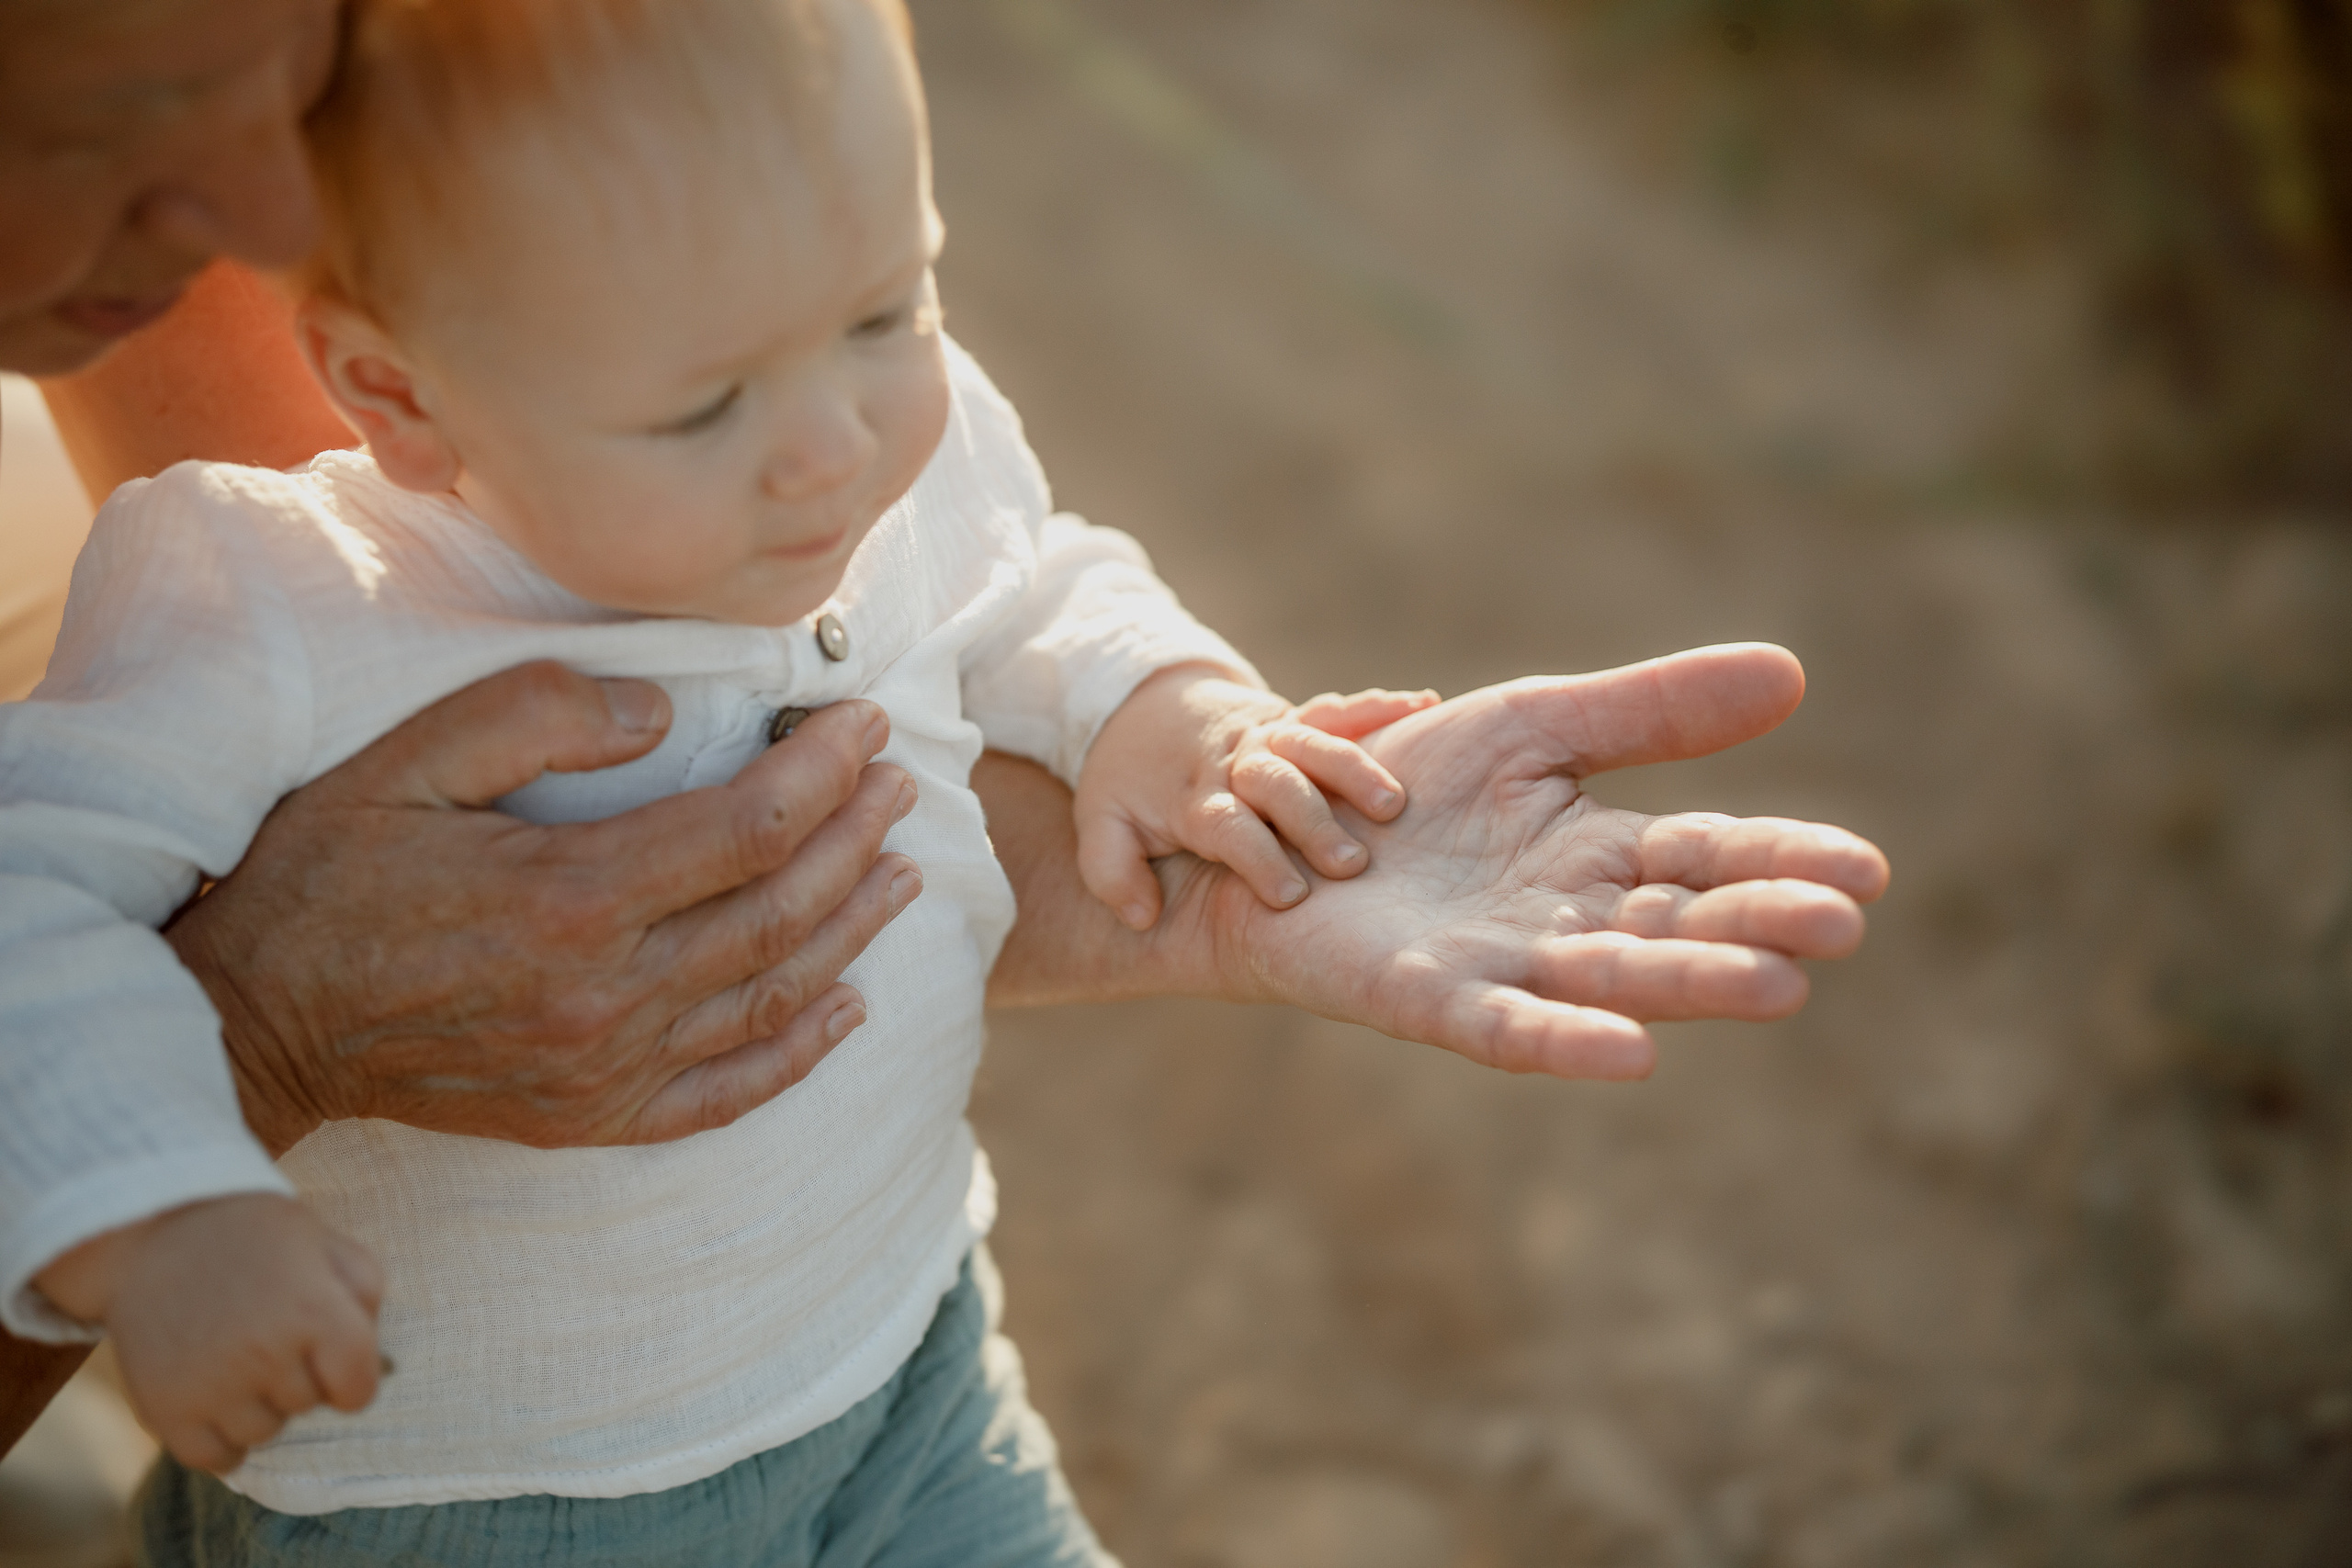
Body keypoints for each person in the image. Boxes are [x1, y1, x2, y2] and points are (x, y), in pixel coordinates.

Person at [0, 0, 1890, 1553]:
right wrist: (172, 1203)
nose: (836, 446)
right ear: (400, 398)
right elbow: (28, 904)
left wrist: (1170, 706)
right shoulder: (264, 601)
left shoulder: (833, 415)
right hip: (481, 1505)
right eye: (704, 406)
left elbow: (1028, 572)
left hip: (905, 1380)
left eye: (888, 309)